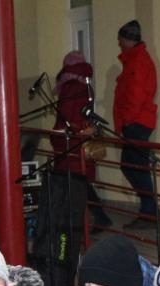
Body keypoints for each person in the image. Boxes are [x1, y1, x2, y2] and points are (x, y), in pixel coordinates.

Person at [51, 50, 110, 229]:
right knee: (80, 182)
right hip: (82, 138)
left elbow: (66, 115)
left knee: (74, 183)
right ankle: (98, 218)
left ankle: (78, 223)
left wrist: (58, 132)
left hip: (70, 140)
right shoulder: (86, 85)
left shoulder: (69, 87)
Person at [114, 19, 158, 227]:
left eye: (120, 39)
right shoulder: (135, 59)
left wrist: (127, 121)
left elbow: (135, 94)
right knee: (135, 167)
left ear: (128, 39)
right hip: (137, 122)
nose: (119, 43)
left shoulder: (136, 60)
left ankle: (150, 212)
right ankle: (150, 210)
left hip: (137, 123)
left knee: (135, 167)